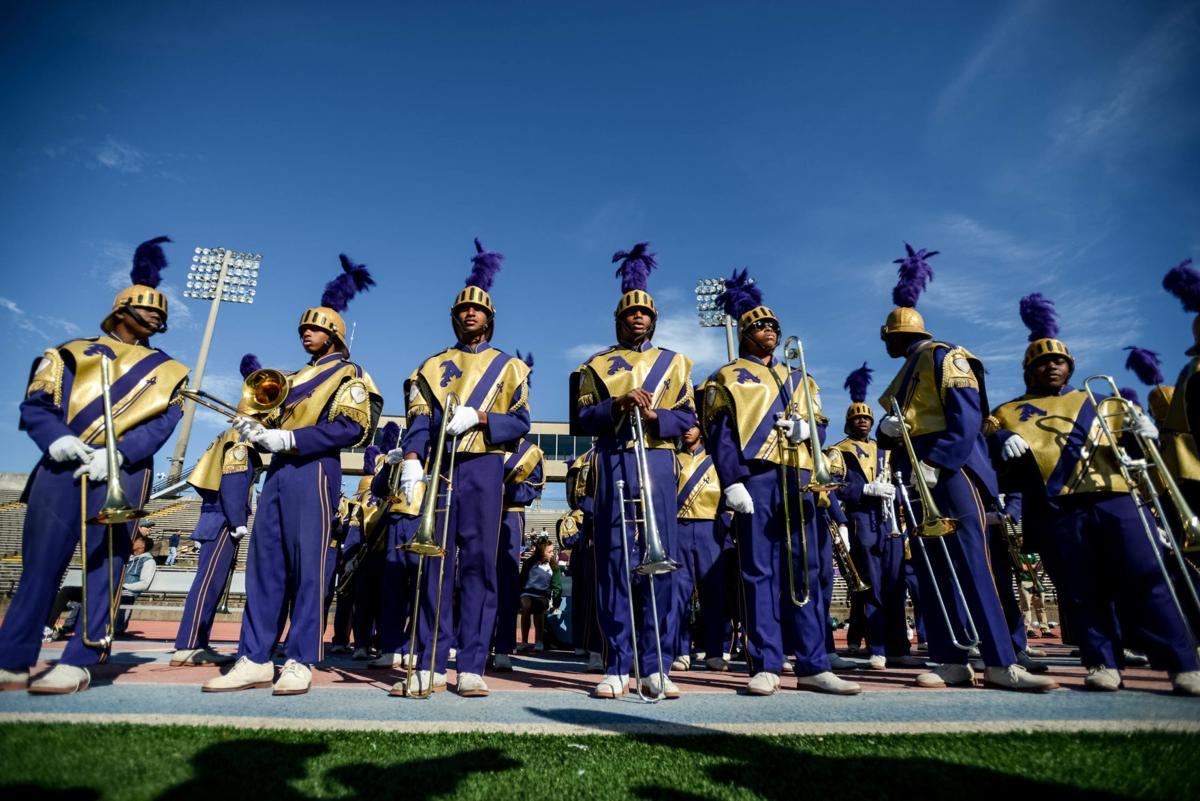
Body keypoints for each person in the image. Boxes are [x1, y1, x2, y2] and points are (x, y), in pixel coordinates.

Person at [0, 237, 189, 695]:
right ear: (120, 309)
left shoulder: (170, 370)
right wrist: (60, 440)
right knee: (40, 566)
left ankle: (83, 657)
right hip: (62, 467)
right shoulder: (68, 352)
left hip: (123, 471)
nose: (156, 316)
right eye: (147, 309)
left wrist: (120, 452)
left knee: (105, 567)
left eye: (161, 313)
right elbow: (36, 406)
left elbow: (166, 421)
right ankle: (14, 656)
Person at [988, 292, 1199, 694]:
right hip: (1054, 507)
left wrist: (1146, 434)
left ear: (1070, 365)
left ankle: (1181, 661)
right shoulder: (1006, 412)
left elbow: (1138, 456)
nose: (1050, 366)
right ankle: (1102, 660)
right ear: (1027, 370)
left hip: (1113, 496)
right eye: (1041, 361)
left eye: (1058, 360)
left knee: (1146, 577)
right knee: (1080, 588)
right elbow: (993, 462)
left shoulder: (1104, 400)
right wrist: (999, 439)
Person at [876, 244, 1055, 692]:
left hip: (950, 470)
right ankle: (949, 657)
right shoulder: (905, 373)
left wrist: (939, 462)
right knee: (936, 567)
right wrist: (890, 433)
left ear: (898, 337)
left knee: (976, 564)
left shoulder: (944, 355)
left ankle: (1000, 659)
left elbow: (967, 415)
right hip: (919, 476)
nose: (886, 345)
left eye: (888, 338)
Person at [204, 253, 381, 696]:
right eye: (304, 328)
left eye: (316, 328)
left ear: (335, 334)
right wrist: (255, 429)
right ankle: (255, 656)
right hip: (279, 473)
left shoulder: (351, 373)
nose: (307, 333)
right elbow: (267, 421)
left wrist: (288, 439)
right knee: (265, 565)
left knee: (309, 567)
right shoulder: (286, 376)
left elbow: (352, 426)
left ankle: (301, 658)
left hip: (315, 471)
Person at [704, 269, 860, 697]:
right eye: (758, 325)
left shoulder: (802, 378)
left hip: (801, 476)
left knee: (806, 570)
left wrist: (806, 431)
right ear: (743, 331)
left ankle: (812, 663)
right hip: (756, 477)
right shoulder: (725, 376)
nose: (768, 330)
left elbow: (823, 431)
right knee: (758, 571)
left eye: (773, 325)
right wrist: (732, 481)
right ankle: (766, 661)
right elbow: (721, 436)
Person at [387, 238, 531, 698]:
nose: (470, 314)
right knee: (435, 566)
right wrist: (412, 461)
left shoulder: (510, 368)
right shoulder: (432, 365)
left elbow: (522, 423)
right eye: (463, 309)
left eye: (478, 309)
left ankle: (471, 663)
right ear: (455, 317)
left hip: (485, 467)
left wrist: (482, 417)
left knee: (479, 567)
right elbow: (418, 420)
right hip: (441, 470)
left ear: (490, 318)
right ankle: (430, 660)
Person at [570, 242, 695, 699]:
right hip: (614, 455)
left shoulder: (676, 363)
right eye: (630, 314)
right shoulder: (596, 364)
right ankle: (618, 662)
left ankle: (657, 663)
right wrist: (617, 404)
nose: (637, 318)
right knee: (616, 561)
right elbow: (581, 419)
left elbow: (689, 417)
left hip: (659, 458)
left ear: (653, 320)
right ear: (619, 320)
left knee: (659, 564)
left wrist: (659, 415)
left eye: (644, 314)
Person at [170, 353, 264, 667]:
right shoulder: (240, 439)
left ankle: (197, 641)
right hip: (224, 518)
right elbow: (234, 481)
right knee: (208, 583)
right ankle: (188, 644)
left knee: (212, 582)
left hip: (216, 516)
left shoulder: (229, 434)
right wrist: (238, 520)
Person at [830, 364, 918, 670]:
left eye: (867, 418)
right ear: (849, 422)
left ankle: (898, 646)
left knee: (896, 587)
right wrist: (864, 488)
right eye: (857, 418)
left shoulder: (887, 450)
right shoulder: (838, 450)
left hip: (892, 524)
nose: (863, 422)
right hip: (862, 522)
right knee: (873, 587)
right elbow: (834, 486)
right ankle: (877, 645)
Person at [493, 353, 545, 671]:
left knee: (506, 582)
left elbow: (534, 488)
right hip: (479, 515)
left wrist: (504, 491)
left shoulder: (532, 451)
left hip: (510, 516)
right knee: (472, 578)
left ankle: (501, 645)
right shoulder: (486, 442)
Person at [672, 419, 730, 673]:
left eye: (693, 425)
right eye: (683, 426)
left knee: (714, 593)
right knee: (678, 594)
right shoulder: (673, 459)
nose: (687, 430)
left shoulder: (717, 458)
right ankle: (681, 650)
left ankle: (715, 651)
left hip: (710, 528)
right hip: (680, 527)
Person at [517, 536, 562, 651]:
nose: (552, 554)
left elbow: (557, 587)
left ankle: (539, 641)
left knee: (538, 605)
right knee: (526, 605)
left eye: (552, 551)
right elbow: (521, 580)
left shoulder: (554, 567)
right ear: (541, 551)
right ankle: (524, 641)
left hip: (542, 596)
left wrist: (556, 604)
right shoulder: (529, 563)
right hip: (527, 594)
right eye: (549, 551)